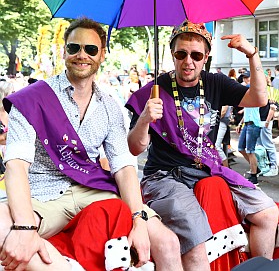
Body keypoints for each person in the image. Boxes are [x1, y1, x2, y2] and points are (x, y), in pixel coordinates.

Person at [0, 17, 182, 271]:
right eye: (74, 48)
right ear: (65, 51)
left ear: (102, 55)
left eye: (91, 49)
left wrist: (139, 221)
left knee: (168, 242)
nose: (81, 55)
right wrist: (25, 228)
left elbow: (123, 168)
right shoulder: (32, 99)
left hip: (92, 189)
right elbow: (16, 165)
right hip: (43, 195)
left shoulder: (110, 106)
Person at [125, 20, 279, 271]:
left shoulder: (215, 82)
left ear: (205, 57)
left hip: (208, 168)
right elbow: (134, 148)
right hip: (166, 176)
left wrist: (252, 54)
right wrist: (144, 119)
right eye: (181, 54)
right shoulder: (153, 91)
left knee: (268, 214)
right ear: (172, 54)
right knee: (196, 240)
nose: (188, 61)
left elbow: (259, 98)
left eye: (196, 55)